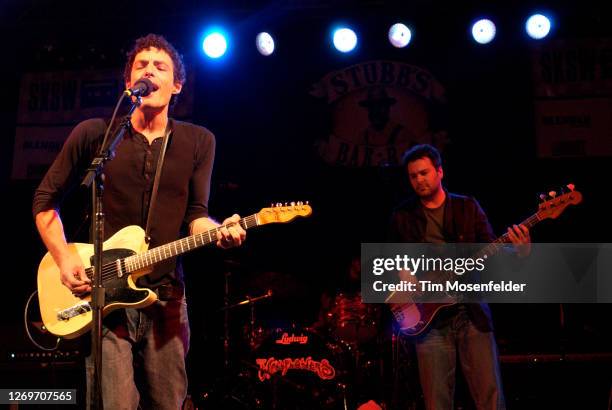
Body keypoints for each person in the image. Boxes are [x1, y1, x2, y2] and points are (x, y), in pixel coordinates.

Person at [32, 33, 246, 409]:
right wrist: (65, 259)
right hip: (105, 300)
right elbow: (45, 200)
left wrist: (217, 231)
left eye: (160, 67)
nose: (149, 71)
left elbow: (196, 215)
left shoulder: (199, 141)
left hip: (165, 298)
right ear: (128, 82)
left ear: (177, 85)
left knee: (168, 403)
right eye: (141, 66)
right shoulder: (96, 135)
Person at [388, 144, 531, 410]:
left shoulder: (467, 207)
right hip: (428, 320)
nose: (419, 179)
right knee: (437, 401)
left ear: (440, 172)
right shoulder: (402, 216)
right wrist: (403, 276)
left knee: (490, 396)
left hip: (471, 312)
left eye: (424, 172)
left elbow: (491, 249)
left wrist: (519, 252)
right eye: (413, 176)